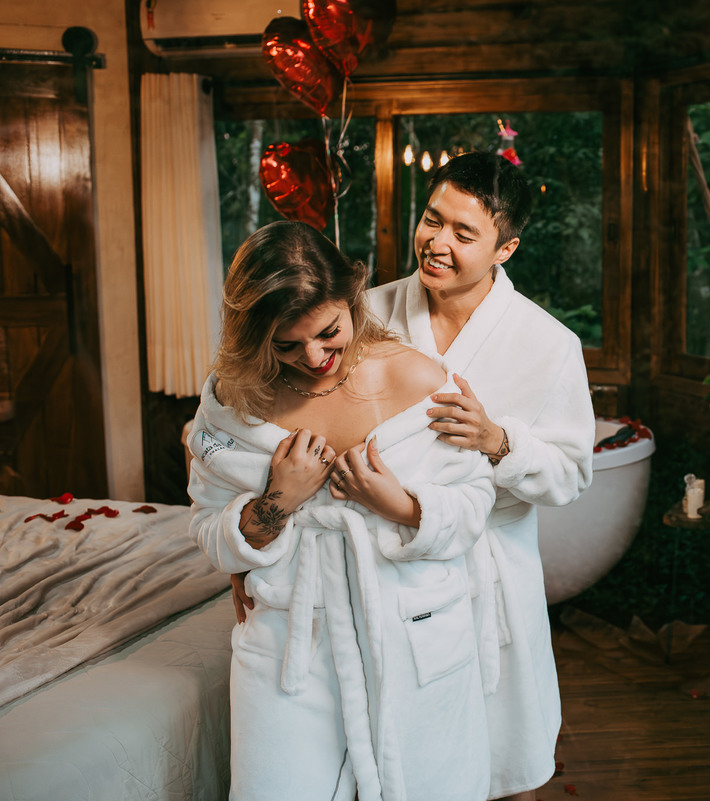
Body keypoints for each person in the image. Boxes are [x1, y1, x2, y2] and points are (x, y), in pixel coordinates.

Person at [187, 220, 496, 801]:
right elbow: (207, 524)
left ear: (352, 299)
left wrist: (399, 504)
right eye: (286, 345)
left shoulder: (418, 378)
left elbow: (475, 502)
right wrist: (277, 502)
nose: (314, 357)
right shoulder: (232, 402)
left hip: (412, 627)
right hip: (290, 640)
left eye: (329, 332)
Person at [370, 151, 595, 801]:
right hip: (388, 558)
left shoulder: (548, 343)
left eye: (463, 233)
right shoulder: (368, 314)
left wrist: (498, 441)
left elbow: (570, 474)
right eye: (431, 219)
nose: (436, 242)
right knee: (400, 754)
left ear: (506, 248)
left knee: (506, 752)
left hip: (489, 565)